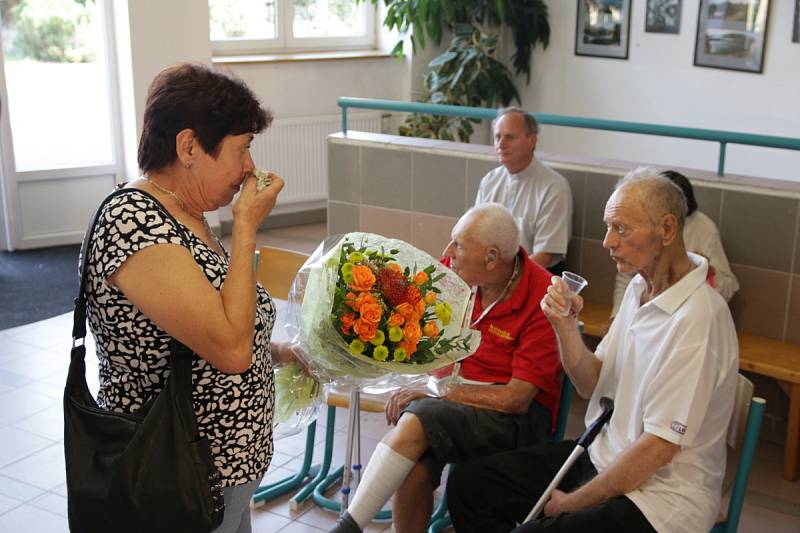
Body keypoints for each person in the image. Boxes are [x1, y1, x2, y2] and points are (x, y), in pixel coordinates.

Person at [446, 168, 739, 533]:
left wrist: (573, 502)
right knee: (471, 486)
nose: (607, 241)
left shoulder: (698, 318)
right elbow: (591, 383)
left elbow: (658, 449)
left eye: (621, 228)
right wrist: (565, 327)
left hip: (662, 499)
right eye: (607, 226)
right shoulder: (639, 289)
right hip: (604, 456)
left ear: (666, 230)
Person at [83, 62, 298, 533]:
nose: (249, 168)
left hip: (223, 470)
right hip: (174, 473)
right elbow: (230, 350)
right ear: (188, 147)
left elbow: (216, 320)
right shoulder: (134, 221)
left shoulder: (185, 215)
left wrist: (281, 352)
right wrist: (246, 227)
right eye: (241, 150)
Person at [330, 203, 562, 533]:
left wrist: (435, 390)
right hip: (450, 403)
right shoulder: (455, 272)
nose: (448, 252)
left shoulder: (543, 296)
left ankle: (347, 527)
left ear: (492, 258)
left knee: (423, 416)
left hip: (513, 419)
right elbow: (410, 303)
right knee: (412, 465)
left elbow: (516, 399)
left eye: (459, 245)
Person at [610, 169, 738, 317]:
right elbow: (625, 277)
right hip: (647, 308)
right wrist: (616, 316)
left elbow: (729, 285)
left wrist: (708, 274)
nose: (608, 242)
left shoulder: (704, 227)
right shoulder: (638, 285)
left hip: (686, 310)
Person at [475, 107, 572, 275]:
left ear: (532, 141)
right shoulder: (489, 181)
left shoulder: (554, 187)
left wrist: (503, 280)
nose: (501, 144)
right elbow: (475, 236)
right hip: (492, 277)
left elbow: (545, 256)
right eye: (498, 137)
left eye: (510, 137)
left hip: (537, 280)